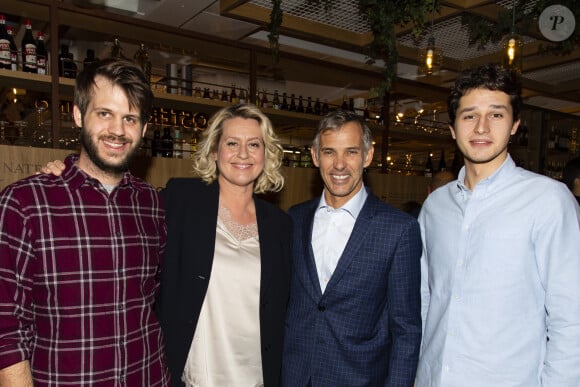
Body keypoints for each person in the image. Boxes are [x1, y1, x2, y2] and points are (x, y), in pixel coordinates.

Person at [0, 59, 170, 385]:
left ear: (144, 129)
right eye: (104, 113)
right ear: (79, 115)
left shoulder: (152, 203)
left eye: (130, 118)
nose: (118, 130)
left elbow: (156, 298)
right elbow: (7, 328)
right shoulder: (24, 204)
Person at [417, 63, 580, 386]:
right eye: (469, 116)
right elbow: (425, 300)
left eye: (496, 114)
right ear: (452, 128)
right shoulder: (435, 206)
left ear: (515, 125)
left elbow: (571, 319)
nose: (481, 128)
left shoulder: (548, 200)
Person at [155, 103, 292, 387]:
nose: (243, 154)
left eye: (254, 144)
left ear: (266, 154)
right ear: (215, 150)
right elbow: (124, 203)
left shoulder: (280, 224)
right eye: (232, 143)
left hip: (256, 376)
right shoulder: (181, 200)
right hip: (195, 377)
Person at [282, 109, 422, 386]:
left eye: (351, 152)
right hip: (294, 375)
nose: (339, 165)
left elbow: (406, 329)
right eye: (330, 152)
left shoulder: (399, 229)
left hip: (360, 378)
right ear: (314, 156)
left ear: (368, 156)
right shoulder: (293, 219)